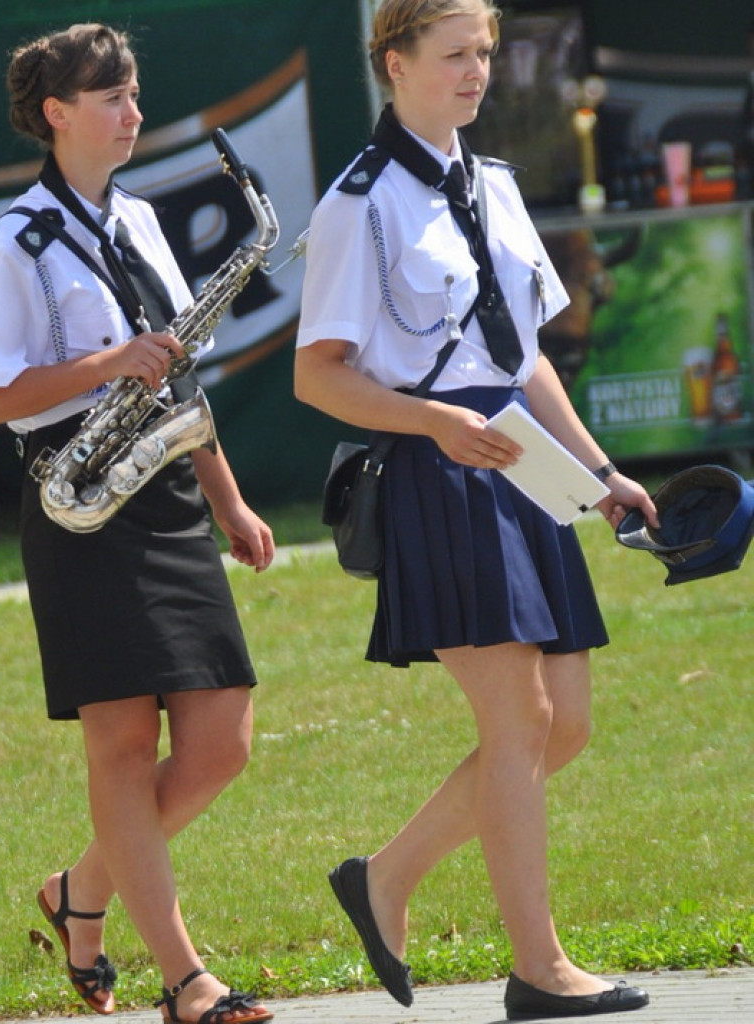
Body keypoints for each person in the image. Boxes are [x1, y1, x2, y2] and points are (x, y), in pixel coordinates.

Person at [294, 1, 659, 1019]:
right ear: (393, 62)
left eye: (486, 53)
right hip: (437, 467)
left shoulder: (492, 186)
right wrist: (432, 425)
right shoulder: (355, 204)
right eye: (454, 54)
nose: (477, 72)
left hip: (526, 463)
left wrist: (599, 471)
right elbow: (318, 376)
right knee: (520, 719)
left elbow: (526, 354)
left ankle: (385, 876)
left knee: (566, 724)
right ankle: (541, 970)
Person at [0, 23, 275, 1024]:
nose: (134, 112)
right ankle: (188, 978)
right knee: (118, 746)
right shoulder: (11, 242)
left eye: (137, 93)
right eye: (112, 97)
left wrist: (230, 497)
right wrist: (107, 367)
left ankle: (80, 890)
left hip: (164, 490)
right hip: (75, 499)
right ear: (56, 113)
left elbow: (177, 365)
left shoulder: (143, 221)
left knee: (223, 739)